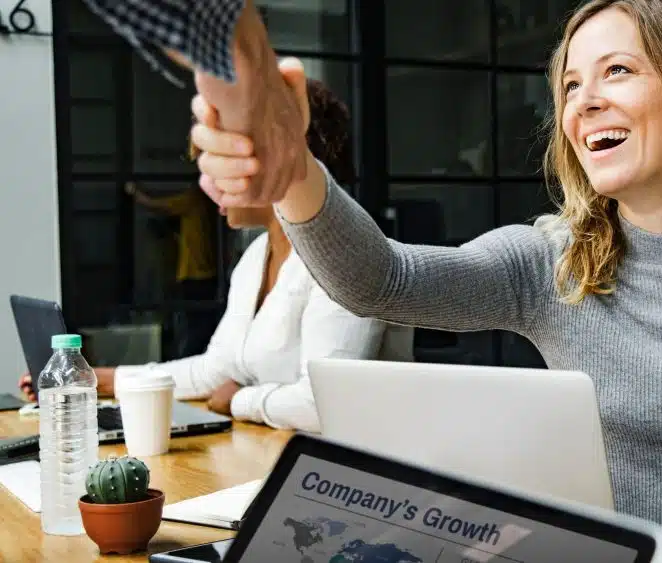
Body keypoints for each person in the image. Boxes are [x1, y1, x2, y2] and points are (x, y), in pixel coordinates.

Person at [82, 0, 662, 561]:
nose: (584, 102)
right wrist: (295, 167)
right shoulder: (548, 258)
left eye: (617, 72)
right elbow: (382, 280)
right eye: (571, 85)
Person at [21, 79, 413, 432]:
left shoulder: (346, 252)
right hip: (274, 453)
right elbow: (215, 371)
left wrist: (240, 401)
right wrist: (94, 380)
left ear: (281, 156)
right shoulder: (257, 254)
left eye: (222, 156)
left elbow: (321, 404)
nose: (208, 179)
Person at [125, 181, 219, 356]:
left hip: (196, 275)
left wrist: (135, 194)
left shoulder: (194, 199)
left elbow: (160, 205)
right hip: (202, 274)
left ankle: (189, 360)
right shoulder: (204, 208)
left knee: (195, 328)